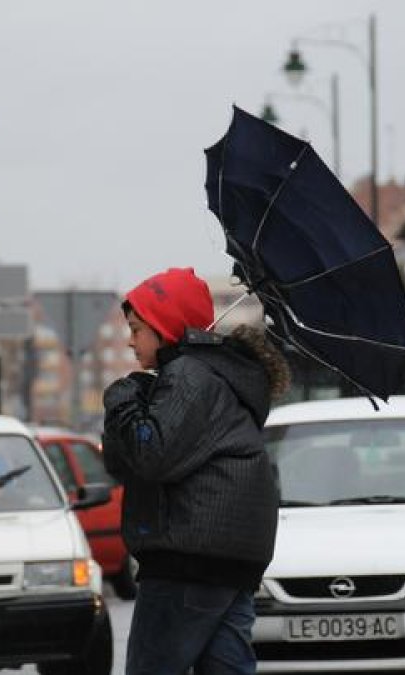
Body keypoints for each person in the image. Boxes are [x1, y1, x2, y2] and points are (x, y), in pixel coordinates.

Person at [101, 267, 290, 675]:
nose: (130, 340)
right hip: (231, 559)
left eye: (137, 329)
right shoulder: (221, 376)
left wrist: (122, 400)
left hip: (187, 558)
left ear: (165, 326)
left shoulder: (190, 374)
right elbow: (124, 462)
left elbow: (153, 457)